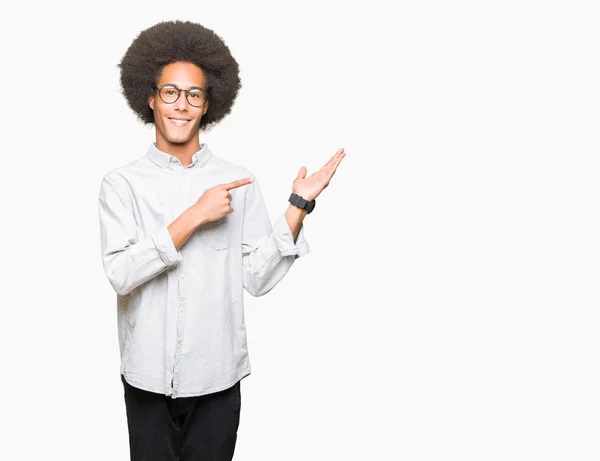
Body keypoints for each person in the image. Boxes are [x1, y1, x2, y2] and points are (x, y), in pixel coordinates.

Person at [98, 20, 346, 461]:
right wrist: (194, 216)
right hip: (147, 379)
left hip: (217, 379)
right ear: (150, 97)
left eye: (194, 94)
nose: (181, 104)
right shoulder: (122, 185)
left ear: (208, 103)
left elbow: (257, 277)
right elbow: (121, 275)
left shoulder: (239, 181)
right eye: (170, 92)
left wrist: (297, 206)